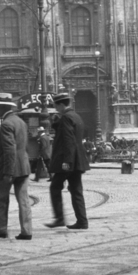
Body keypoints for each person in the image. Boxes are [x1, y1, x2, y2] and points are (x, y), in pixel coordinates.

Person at [46, 91, 90, 229]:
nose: (55, 108)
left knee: (55, 187)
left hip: (68, 161)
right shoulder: (76, 116)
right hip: (78, 160)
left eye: (55, 105)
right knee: (76, 190)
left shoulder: (66, 118)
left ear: (60, 105)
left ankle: (59, 218)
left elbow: (68, 141)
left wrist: (67, 162)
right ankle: (82, 221)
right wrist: (55, 122)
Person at [0, 95, 32, 240]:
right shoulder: (21, 122)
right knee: (24, 199)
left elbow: (9, 150)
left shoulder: (6, 124)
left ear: (3, 108)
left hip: (10, 167)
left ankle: (1, 229)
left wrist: (7, 172)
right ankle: (27, 231)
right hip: (23, 166)